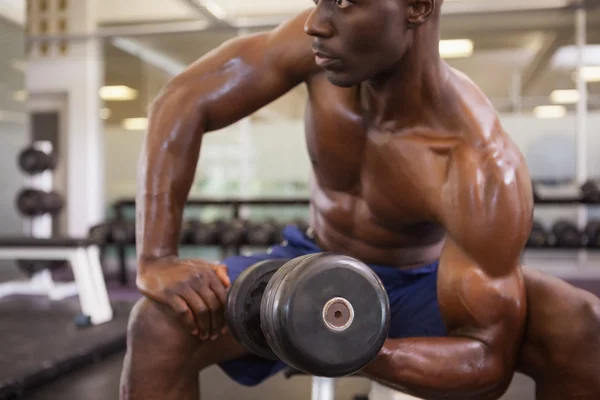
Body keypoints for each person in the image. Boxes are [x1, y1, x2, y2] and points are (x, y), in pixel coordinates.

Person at [119, 1, 599, 399]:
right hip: (307, 262)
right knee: (161, 323)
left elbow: (485, 361)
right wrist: (156, 256)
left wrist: (355, 343)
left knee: (577, 323)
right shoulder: (316, 50)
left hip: (425, 287)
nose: (317, 22)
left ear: (416, 7)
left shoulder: (477, 162)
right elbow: (182, 100)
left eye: (345, 3)